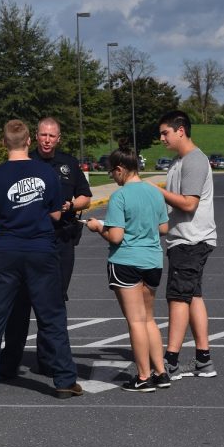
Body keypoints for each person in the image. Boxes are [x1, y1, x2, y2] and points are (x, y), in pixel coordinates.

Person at [0, 119, 83, 400]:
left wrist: (7, 214)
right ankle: (64, 380)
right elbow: (56, 214)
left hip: (5, 250)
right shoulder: (46, 172)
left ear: (4, 142)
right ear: (29, 141)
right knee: (51, 316)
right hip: (41, 250)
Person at [0, 117, 91, 378]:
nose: (47, 140)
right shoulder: (25, 163)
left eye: (52, 136)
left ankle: (48, 359)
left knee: (53, 302)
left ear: (59, 138)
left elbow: (85, 196)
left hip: (61, 241)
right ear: (34, 137)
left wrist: (71, 206)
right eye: (43, 135)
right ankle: (11, 360)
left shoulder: (69, 164)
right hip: (29, 241)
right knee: (20, 301)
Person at [85, 145, 171, 392]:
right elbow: (163, 228)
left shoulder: (120, 197)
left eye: (112, 172)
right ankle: (160, 372)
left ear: (121, 169)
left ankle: (143, 377)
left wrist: (98, 227)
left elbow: (116, 237)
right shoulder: (155, 193)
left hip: (126, 262)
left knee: (135, 321)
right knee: (149, 319)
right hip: (153, 260)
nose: (112, 176)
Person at [152, 110, 218, 380]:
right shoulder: (179, 162)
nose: (162, 138)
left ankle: (171, 361)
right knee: (193, 297)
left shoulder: (194, 161)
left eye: (165, 132)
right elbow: (175, 207)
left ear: (181, 130)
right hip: (186, 238)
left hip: (191, 240)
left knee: (177, 298)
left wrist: (157, 192)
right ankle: (204, 359)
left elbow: (189, 204)